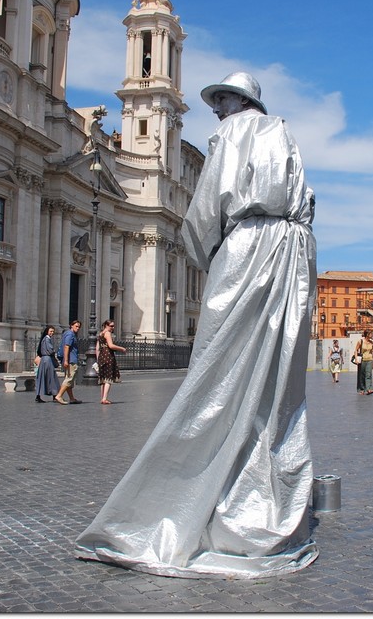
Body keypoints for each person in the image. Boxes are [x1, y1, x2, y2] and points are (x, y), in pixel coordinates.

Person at [75, 72, 319, 578]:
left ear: (238, 100)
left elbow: (207, 207)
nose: (215, 110)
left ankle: (189, 499)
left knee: (216, 374)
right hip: (295, 255)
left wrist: (208, 252)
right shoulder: (285, 133)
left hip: (251, 248)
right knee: (275, 385)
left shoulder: (234, 133)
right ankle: (262, 497)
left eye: (220, 100)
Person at [96, 319, 125, 404]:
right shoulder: (108, 333)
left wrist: (98, 359)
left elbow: (97, 348)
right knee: (108, 378)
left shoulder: (100, 334)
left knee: (103, 378)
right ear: (106, 325)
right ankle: (104, 398)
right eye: (111, 326)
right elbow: (111, 345)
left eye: (113, 326)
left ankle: (102, 397)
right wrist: (122, 348)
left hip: (102, 356)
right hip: (108, 355)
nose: (113, 327)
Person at [54, 320, 83, 405]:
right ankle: (59, 396)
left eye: (79, 327)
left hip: (69, 359)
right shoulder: (70, 335)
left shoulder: (66, 333)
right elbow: (66, 347)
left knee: (69, 379)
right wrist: (66, 360)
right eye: (76, 326)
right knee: (69, 379)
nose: (77, 328)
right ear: (71, 325)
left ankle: (72, 398)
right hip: (71, 360)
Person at [33, 325, 59, 403]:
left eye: (53, 331)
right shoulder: (47, 339)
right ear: (47, 331)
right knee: (51, 377)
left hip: (44, 360)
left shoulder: (44, 339)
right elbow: (50, 350)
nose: (52, 333)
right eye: (50, 331)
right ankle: (54, 395)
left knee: (42, 377)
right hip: (47, 360)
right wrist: (54, 351)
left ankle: (39, 395)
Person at [354, 329, 373, 395]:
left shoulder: (372, 342)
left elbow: (372, 352)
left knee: (368, 374)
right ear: (367, 334)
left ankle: (369, 388)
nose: (372, 335)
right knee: (361, 375)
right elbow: (356, 350)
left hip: (370, 359)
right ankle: (361, 389)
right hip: (362, 360)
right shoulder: (360, 341)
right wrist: (356, 359)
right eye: (371, 333)